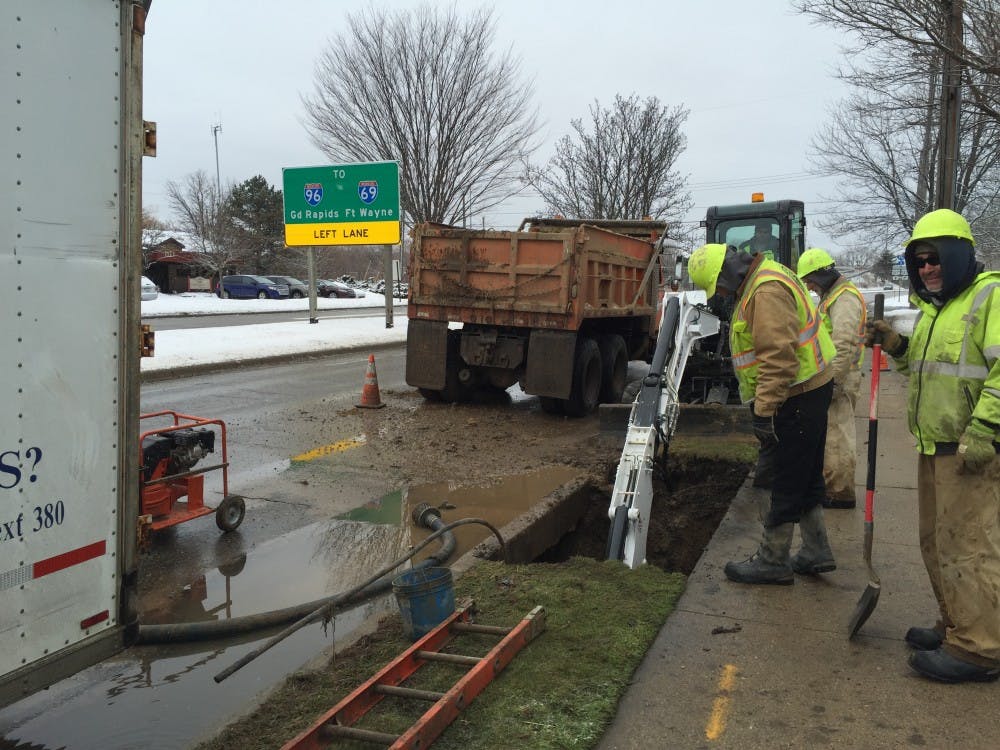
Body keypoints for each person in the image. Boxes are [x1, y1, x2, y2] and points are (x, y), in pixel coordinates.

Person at [866, 208, 1000, 684]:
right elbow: (925, 369)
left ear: (961, 254)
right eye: (920, 261)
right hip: (933, 445)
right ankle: (957, 625)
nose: (928, 268)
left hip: (971, 450)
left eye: (936, 258)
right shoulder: (935, 310)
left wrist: (985, 430)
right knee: (936, 543)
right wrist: (898, 346)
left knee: (968, 547)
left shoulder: (989, 298)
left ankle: (979, 649)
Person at [688, 243, 837, 584]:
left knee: (782, 478)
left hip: (796, 395)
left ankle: (773, 559)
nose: (721, 293)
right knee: (806, 474)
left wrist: (765, 410)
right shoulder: (766, 277)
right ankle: (816, 550)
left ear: (726, 273)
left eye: (719, 286)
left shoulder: (765, 291)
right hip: (809, 388)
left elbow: (778, 358)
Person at [797, 248, 867, 509]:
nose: (810, 286)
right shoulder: (833, 296)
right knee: (831, 435)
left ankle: (840, 492)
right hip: (834, 374)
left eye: (811, 280)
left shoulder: (845, 299)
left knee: (838, 436)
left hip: (841, 376)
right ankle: (832, 486)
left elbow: (844, 343)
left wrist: (833, 380)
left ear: (822, 275)